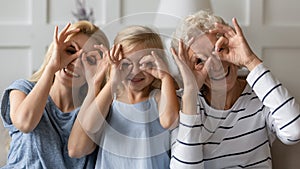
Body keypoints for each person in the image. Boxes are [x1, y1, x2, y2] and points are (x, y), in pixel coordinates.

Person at [169, 10, 300, 169]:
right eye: (199, 61)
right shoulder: (183, 102)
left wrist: (250, 60)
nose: (215, 65)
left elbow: (294, 132)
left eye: (218, 50)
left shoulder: (261, 92)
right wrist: (189, 92)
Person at [0, 20, 110, 168]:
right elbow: (25, 124)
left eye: (88, 59)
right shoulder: (22, 89)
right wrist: (52, 66)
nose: (76, 63)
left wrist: (96, 84)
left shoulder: (96, 110)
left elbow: (77, 149)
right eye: (70, 51)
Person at [68, 25, 179, 169]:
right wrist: (113, 81)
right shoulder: (111, 98)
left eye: (145, 63)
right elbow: (89, 126)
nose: (136, 71)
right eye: (126, 64)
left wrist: (165, 76)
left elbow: (171, 121)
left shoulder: (158, 96)